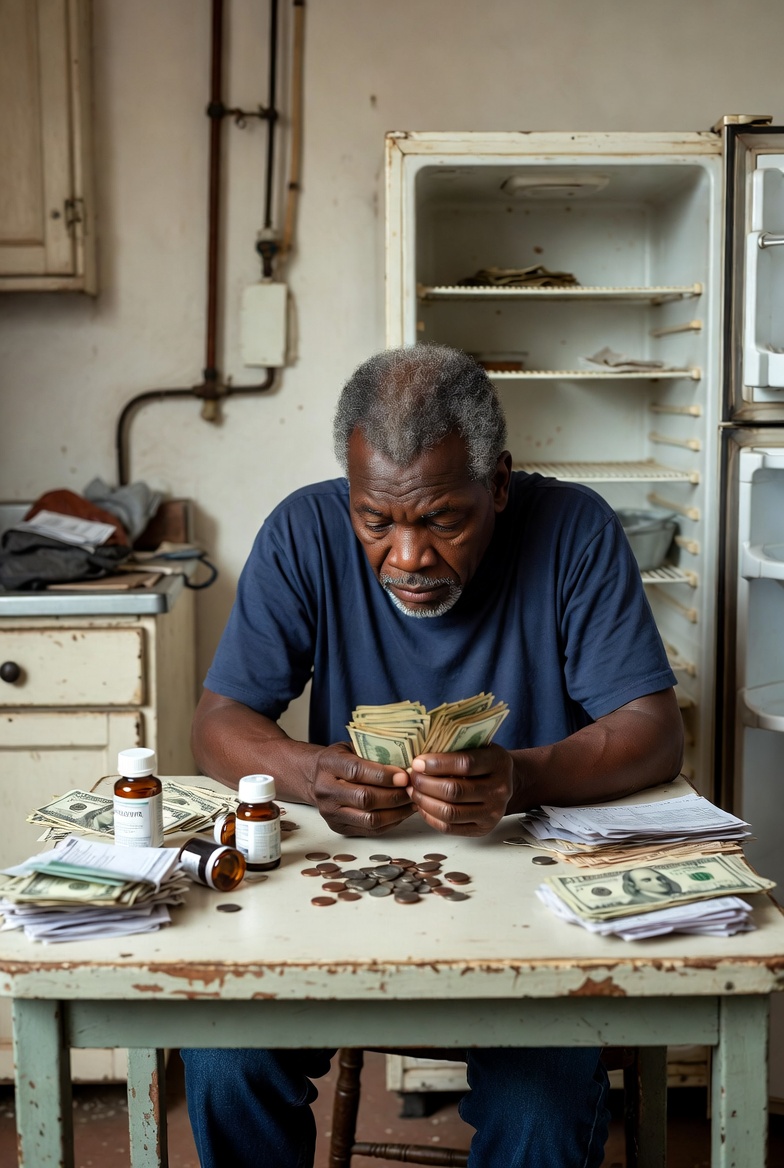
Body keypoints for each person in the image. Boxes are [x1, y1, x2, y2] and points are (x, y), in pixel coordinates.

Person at [182, 343, 684, 1168]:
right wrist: (311, 772)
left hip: (535, 915)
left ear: (499, 485)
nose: (407, 558)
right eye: (376, 521)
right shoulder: (303, 530)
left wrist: (524, 776)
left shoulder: (575, 529)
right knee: (224, 1058)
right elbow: (219, 722)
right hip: (343, 909)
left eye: (441, 519)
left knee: (540, 1109)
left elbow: (652, 727)